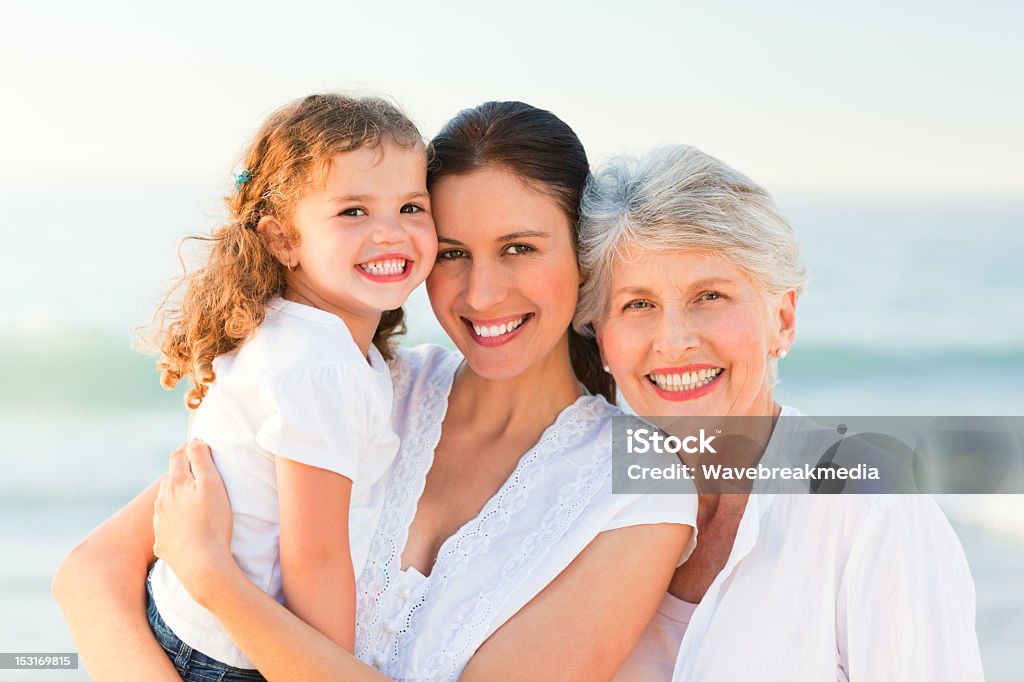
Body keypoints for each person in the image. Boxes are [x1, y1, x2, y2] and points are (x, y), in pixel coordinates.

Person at [53, 102, 697, 681]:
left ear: (585, 256)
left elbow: (782, 457)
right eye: (451, 253)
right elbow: (90, 572)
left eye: (520, 248)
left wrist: (215, 581)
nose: (481, 293)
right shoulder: (371, 380)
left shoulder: (642, 482)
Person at [572, 144, 985, 680]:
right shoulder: (577, 501)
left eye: (711, 296)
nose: (672, 342)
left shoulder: (871, 509)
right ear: (603, 338)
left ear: (783, 320)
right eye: (638, 304)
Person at [142, 94, 437, 680]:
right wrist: (328, 667)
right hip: (228, 658)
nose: (390, 232)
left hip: (194, 622)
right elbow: (316, 559)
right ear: (283, 240)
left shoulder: (298, 335)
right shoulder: (318, 366)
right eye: (352, 212)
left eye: (411, 206)